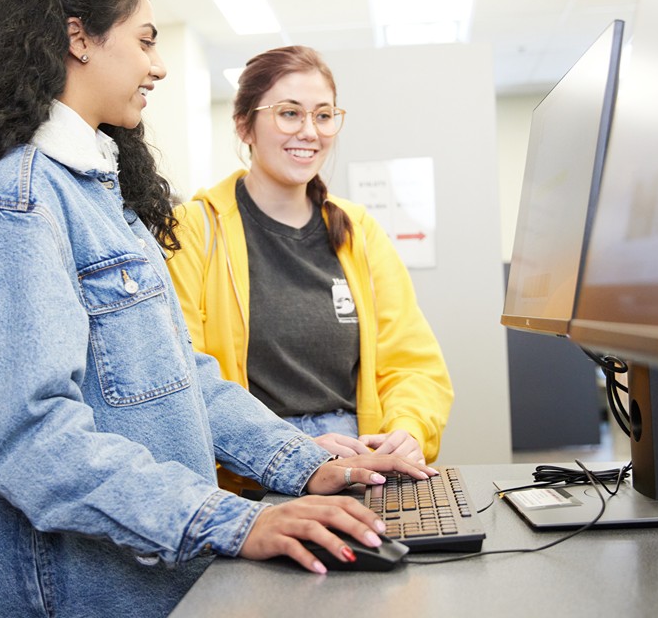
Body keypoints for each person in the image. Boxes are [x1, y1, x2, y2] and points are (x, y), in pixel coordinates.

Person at [0, 0, 436, 618]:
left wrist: (310, 465)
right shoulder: (14, 209)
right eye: (145, 40)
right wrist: (236, 520)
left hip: (148, 585)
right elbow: (37, 446)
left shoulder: (99, 197)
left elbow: (186, 383)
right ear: (77, 39)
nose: (159, 63)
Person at [166, 45, 453, 493]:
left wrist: (407, 430)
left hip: (363, 463)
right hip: (257, 472)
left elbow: (412, 363)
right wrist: (294, 452)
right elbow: (184, 376)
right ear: (245, 125)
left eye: (323, 115)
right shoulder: (195, 231)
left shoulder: (359, 232)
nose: (309, 131)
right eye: (288, 113)